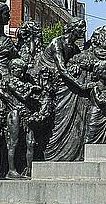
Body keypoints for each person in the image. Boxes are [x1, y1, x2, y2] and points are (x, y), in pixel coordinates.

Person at [40, 17, 88, 161]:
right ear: (72, 28)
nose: (84, 30)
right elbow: (62, 69)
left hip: (62, 82)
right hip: (46, 82)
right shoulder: (57, 42)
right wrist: (80, 86)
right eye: (81, 27)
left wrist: (77, 66)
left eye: (84, 27)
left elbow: (76, 63)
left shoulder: (74, 48)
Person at [0, 58, 42, 178]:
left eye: (23, 71)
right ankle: (11, 170)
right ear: (13, 69)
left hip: (27, 115)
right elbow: (22, 96)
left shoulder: (23, 82)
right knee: (13, 143)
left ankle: (29, 170)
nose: (22, 74)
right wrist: (32, 89)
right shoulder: (9, 81)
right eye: (20, 70)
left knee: (31, 142)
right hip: (14, 114)